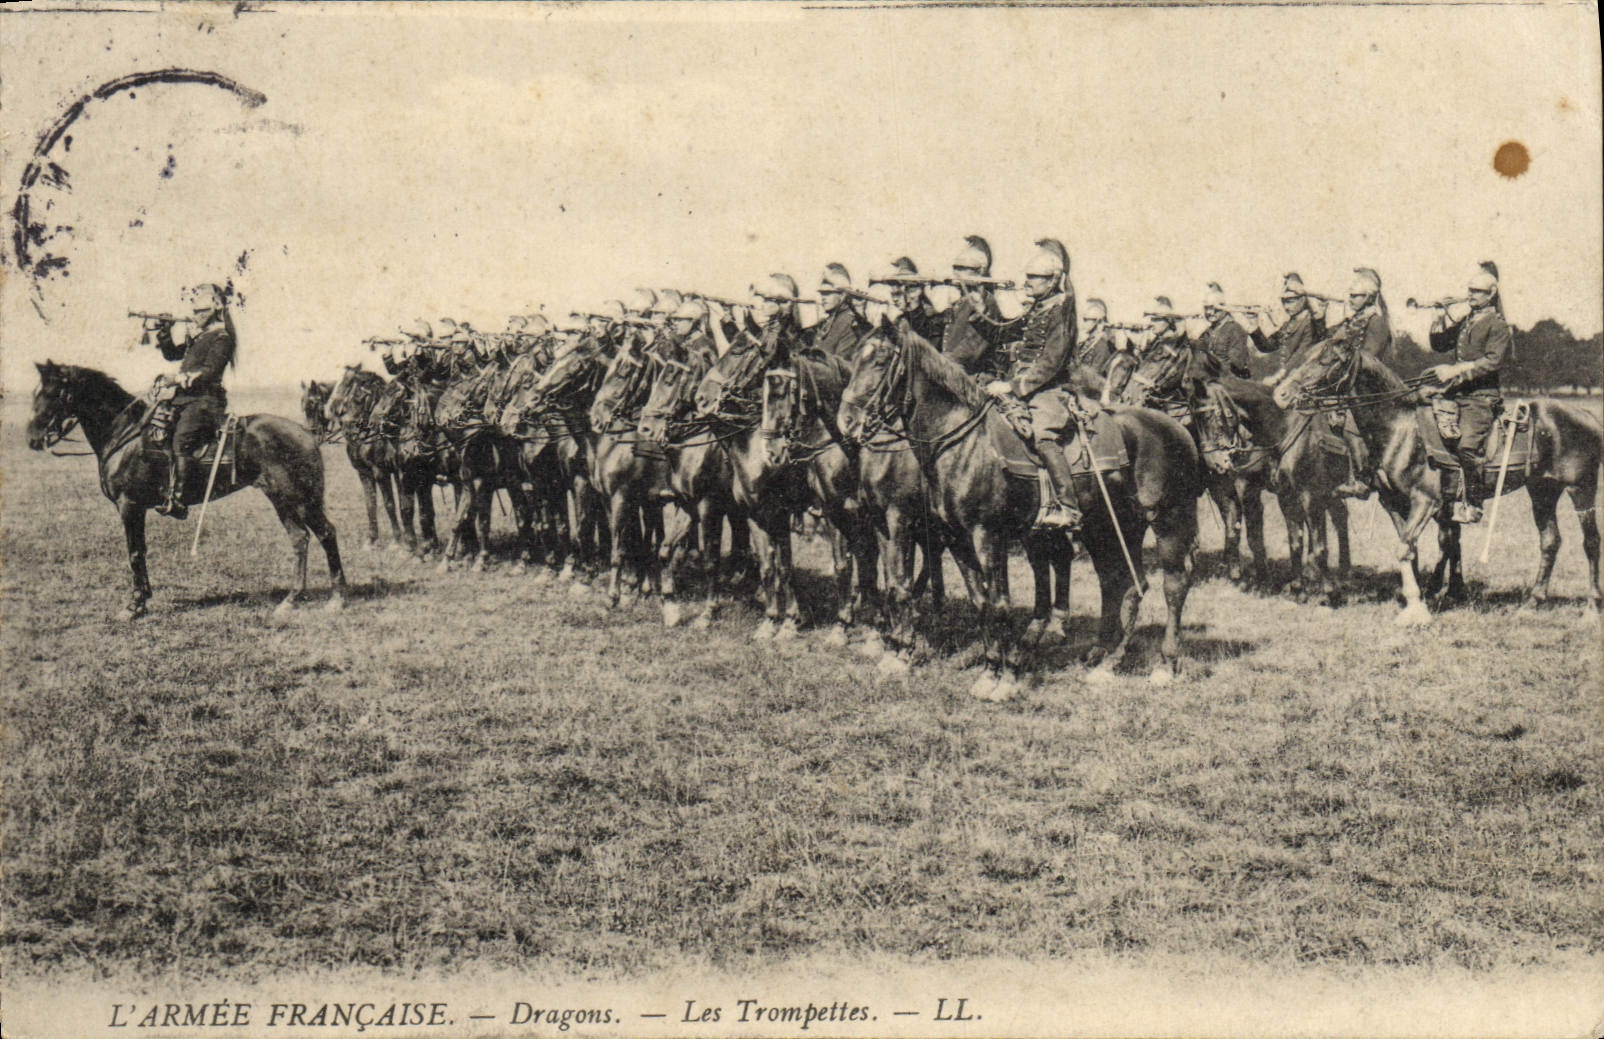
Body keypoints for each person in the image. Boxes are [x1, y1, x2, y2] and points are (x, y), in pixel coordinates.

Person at [980, 238, 1080, 528]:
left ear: (1053, 280)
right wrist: (978, 305)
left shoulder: (1062, 308)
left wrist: (1014, 387)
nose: (1028, 282)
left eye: (1035, 278)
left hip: (1049, 390)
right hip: (1021, 384)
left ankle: (1068, 507)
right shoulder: (1038, 307)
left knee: (1042, 434)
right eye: (1028, 276)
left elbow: (1052, 361)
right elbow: (1003, 333)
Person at [1426, 268, 1512, 523]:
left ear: (1491, 294)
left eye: (1477, 291)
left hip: (1482, 396)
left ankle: (1473, 504)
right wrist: (1440, 316)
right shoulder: (1466, 320)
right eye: (1470, 290)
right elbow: (1440, 345)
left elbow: (1493, 362)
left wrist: (1457, 369)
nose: (1471, 295)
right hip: (1458, 392)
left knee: (1466, 447)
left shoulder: (1498, 325)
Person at [146, 283, 237, 518]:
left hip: (205, 402)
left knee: (181, 442)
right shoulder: (199, 337)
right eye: (195, 311)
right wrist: (164, 331)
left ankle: (179, 500)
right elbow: (172, 354)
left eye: (201, 311)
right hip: (184, 401)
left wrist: (175, 379)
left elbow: (208, 373)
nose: (196, 315)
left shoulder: (222, 337)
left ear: (216, 309)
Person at [1326, 266, 1394, 497]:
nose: (1351, 299)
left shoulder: (1376, 323)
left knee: (1351, 424)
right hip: (1348, 386)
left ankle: (1362, 478)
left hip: (1369, 388)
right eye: (1351, 295)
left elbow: (1368, 358)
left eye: (1356, 296)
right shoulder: (1351, 321)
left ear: (1368, 297)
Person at [1252, 273, 1327, 385]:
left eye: (1291, 302)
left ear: (1302, 300)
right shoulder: (1288, 324)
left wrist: (1278, 377)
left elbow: (1301, 355)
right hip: (1286, 379)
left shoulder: (1311, 323)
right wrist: (1252, 326)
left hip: (1302, 381)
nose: (1286, 307)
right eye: (1284, 302)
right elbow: (1268, 346)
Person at [811, 263, 869, 360]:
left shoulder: (849, 322)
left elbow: (840, 364)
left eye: (828, 293)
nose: (823, 298)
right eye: (822, 293)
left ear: (843, 295)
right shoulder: (828, 321)